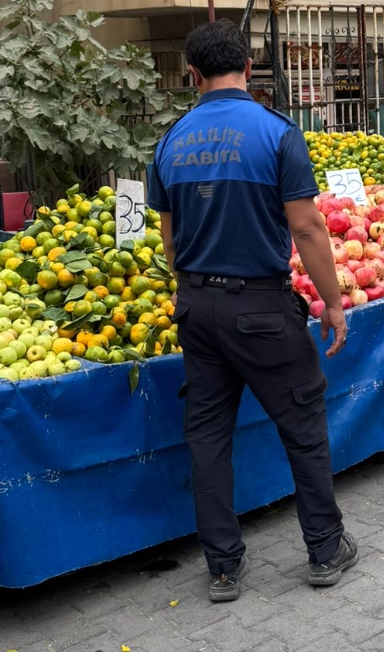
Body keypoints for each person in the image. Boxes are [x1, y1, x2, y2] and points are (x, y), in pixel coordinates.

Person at [147, 19, 357, 602]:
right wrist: (333, 303)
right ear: (248, 67)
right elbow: (308, 227)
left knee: (208, 438)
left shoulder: (169, 142)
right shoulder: (277, 133)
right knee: (303, 427)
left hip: (197, 308)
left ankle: (222, 567)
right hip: (262, 309)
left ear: (193, 74)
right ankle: (324, 549)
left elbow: (169, 240)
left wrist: (194, 287)